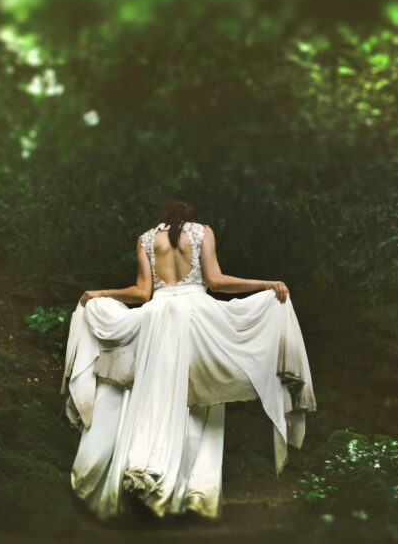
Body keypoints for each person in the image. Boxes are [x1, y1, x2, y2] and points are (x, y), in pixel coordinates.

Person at [60, 199, 316, 520]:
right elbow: (217, 282)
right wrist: (266, 284)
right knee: (202, 398)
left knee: (154, 395)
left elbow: (141, 293)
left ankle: (144, 468)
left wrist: (100, 295)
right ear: (190, 217)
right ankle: (193, 491)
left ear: (162, 218)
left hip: (155, 319)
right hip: (197, 318)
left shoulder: (145, 239)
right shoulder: (200, 232)